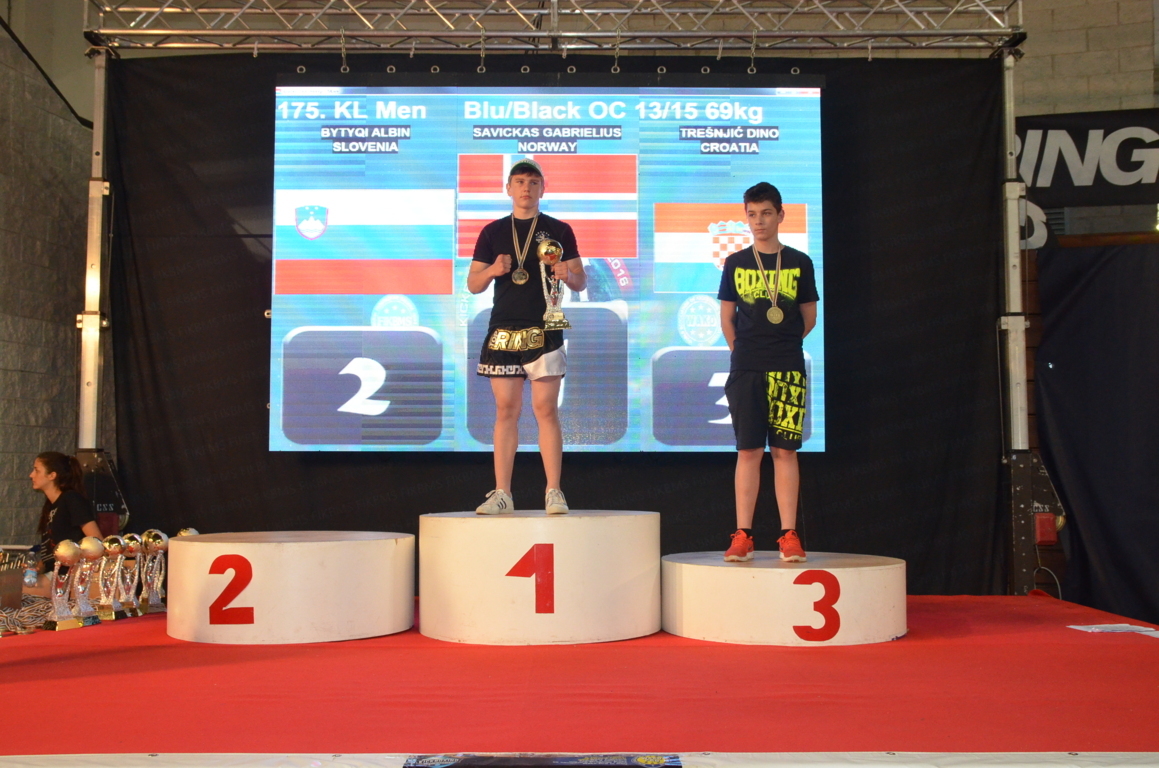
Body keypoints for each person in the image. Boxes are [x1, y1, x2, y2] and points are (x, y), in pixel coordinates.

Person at [467, 159, 587, 515]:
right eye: (519, 182)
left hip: (545, 328)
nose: (526, 188)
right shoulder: (492, 232)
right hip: (503, 328)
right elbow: (473, 284)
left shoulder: (559, 230)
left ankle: (554, 491)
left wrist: (567, 274)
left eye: (533, 182)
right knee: (506, 410)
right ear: (508, 188)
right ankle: (502, 492)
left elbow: (580, 281)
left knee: (545, 409)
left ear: (542, 189)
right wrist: (493, 269)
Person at [717, 182, 819, 562]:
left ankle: (788, 534)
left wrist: (782, 346)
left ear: (780, 215)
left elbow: (809, 316)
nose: (759, 221)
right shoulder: (736, 263)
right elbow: (726, 316)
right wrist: (743, 350)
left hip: (787, 367)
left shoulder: (799, 262)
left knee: (784, 451)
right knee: (748, 450)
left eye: (766, 213)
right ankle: (743, 534)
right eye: (752, 214)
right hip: (746, 367)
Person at [27, 451, 100, 594]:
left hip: (68, 575)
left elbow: (96, 540)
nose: (31, 475)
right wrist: (36, 569)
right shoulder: (50, 507)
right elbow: (51, 551)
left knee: (13, 591)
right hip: (53, 573)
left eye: (36, 470)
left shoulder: (71, 499)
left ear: (52, 475)